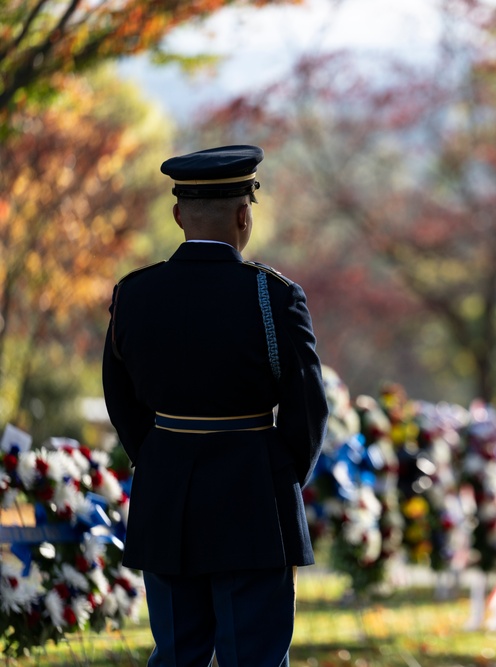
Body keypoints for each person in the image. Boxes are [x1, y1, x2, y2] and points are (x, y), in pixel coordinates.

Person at [102, 145, 329, 666]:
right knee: (254, 656)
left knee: (177, 654)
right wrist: (279, 471)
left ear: (179, 214)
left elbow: (120, 397)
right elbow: (307, 405)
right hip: (253, 496)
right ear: (245, 213)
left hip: (166, 496)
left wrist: (159, 456)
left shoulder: (134, 294)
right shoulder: (273, 297)